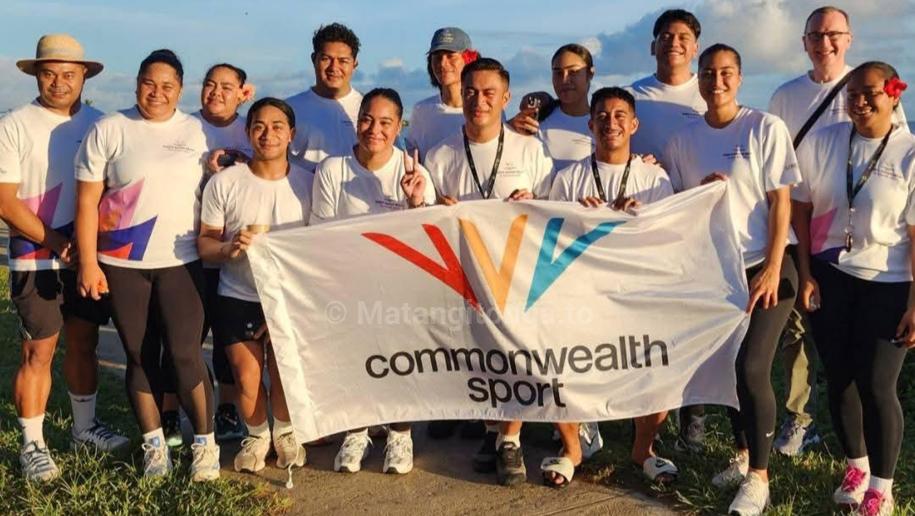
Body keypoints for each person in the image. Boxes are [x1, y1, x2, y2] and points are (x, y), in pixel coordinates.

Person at [663, 44, 800, 515]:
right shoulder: (684, 140)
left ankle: (759, 480)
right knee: (729, 368)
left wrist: (773, 266)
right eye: (708, 73)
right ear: (697, 79)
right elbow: (679, 205)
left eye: (725, 73)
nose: (716, 81)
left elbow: (780, 202)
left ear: (739, 77)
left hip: (769, 264)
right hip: (715, 271)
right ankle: (744, 456)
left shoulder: (764, 127)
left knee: (752, 367)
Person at [767, 5, 908, 457]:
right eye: (815, 35)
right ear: (804, 42)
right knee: (813, 351)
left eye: (834, 34)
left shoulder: (883, 105)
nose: (824, 42)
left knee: (871, 377)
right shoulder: (787, 98)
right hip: (811, 246)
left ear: (848, 39)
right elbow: (782, 176)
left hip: (880, 264)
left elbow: (892, 161)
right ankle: (812, 430)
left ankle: (875, 476)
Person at [74, 49, 218, 481]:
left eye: (167, 86)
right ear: (136, 83)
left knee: (184, 354)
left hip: (182, 261)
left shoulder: (196, 130)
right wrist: (87, 263)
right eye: (149, 83)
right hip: (121, 263)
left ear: (181, 89)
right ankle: (155, 445)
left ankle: (205, 445)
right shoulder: (109, 128)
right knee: (139, 356)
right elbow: (86, 202)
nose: (157, 93)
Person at [0, 33, 128, 482]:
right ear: (36, 75)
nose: (59, 82)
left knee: (84, 342)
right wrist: (56, 241)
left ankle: (83, 428)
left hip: (87, 257)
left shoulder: (102, 124)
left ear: (83, 77)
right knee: (39, 349)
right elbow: (5, 200)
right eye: (49, 73)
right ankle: (32, 445)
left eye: (68, 74)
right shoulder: (14, 124)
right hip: (35, 255)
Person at [424, 57, 554, 487]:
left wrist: (532, 199)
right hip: (465, 273)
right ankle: (490, 431)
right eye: (472, 91)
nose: (479, 101)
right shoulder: (440, 154)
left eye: (489, 93)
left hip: (517, 271)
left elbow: (555, 210)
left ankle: (511, 440)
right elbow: (426, 219)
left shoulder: (530, 149)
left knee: (516, 349)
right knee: (477, 353)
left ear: (506, 97)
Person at [792, 62, 912, 516]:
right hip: (829, 276)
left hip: (890, 282)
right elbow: (801, 211)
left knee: (877, 385)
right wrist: (804, 274)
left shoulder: (909, 153)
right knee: (839, 379)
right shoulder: (825, 142)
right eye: (852, 93)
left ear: (894, 95)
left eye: (871, 92)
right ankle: (855, 467)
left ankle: (882, 486)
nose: (859, 100)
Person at [547, 86, 677, 487]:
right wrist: (575, 218)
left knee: (656, 372)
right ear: (590, 124)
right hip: (580, 293)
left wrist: (641, 219)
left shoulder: (653, 178)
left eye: (620, 115)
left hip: (636, 293)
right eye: (602, 116)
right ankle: (572, 448)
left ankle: (644, 450)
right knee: (556, 366)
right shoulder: (569, 179)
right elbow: (548, 241)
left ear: (634, 124)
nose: (611, 123)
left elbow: (670, 236)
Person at [312, 88, 435, 474]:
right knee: (351, 359)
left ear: (399, 127)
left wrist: (415, 203)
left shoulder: (414, 171)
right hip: (348, 282)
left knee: (400, 360)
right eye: (367, 119)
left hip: (398, 285)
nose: (374, 129)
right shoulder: (333, 169)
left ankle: (400, 434)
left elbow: (426, 239)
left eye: (385, 123)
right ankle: (357, 429)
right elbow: (321, 232)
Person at [198, 97, 312, 474]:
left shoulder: (307, 184)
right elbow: (205, 244)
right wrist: (229, 249)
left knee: (284, 372)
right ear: (248, 133)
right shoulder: (225, 182)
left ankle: (285, 432)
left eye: (278, 126)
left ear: (291, 134)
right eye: (259, 126)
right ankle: (257, 435)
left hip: (288, 297)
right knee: (246, 376)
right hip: (238, 293)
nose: (268, 134)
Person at [156, 63, 255, 447]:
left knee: (228, 337)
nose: (216, 92)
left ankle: (228, 410)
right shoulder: (182, 126)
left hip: (231, 253)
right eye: (210, 84)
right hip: (184, 251)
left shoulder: (251, 130)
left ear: (242, 93)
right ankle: (167, 412)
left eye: (227, 86)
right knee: (181, 337)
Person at [286, 23, 363, 172]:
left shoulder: (369, 110)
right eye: (326, 59)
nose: (334, 68)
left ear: (355, 64)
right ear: (314, 59)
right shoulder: (289, 109)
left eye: (343, 61)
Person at [407, 27, 479, 161]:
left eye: (451, 56)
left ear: (469, 59)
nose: (442, 63)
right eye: (437, 57)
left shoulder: (486, 111)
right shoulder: (421, 111)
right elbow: (412, 159)